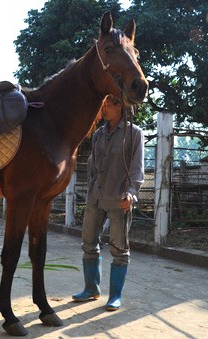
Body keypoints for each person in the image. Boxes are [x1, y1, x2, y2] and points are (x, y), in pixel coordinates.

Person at [72, 94, 144, 311]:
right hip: (96, 197)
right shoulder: (98, 135)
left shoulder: (134, 133)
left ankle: (115, 296)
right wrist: (91, 189)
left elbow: (136, 168)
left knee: (119, 249)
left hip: (119, 199)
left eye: (107, 105)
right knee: (88, 243)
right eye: (101, 105)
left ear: (120, 106)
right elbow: (93, 166)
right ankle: (91, 289)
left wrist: (131, 193)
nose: (102, 109)